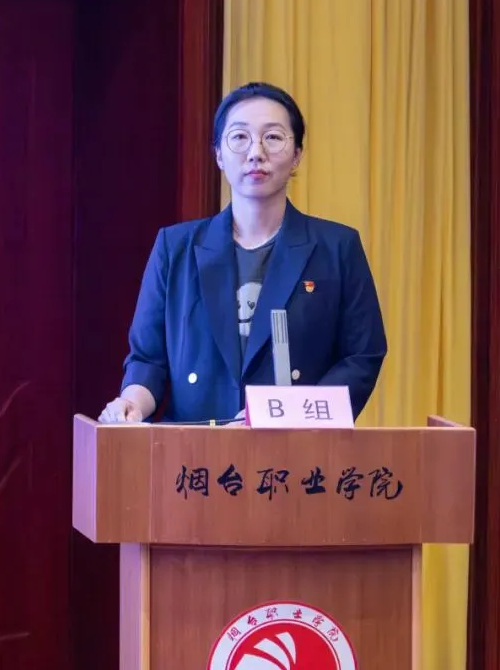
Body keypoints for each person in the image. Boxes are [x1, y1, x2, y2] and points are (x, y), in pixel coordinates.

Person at [98, 81, 387, 424]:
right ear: (219, 154)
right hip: (192, 447)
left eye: (273, 137)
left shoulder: (338, 247)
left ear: (297, 154)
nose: (256, 152)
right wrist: (132, 403)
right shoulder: (174, 248)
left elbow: (361, 356)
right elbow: (148, 358)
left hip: (296, 445)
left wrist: (288, 416)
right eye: (239, 137)